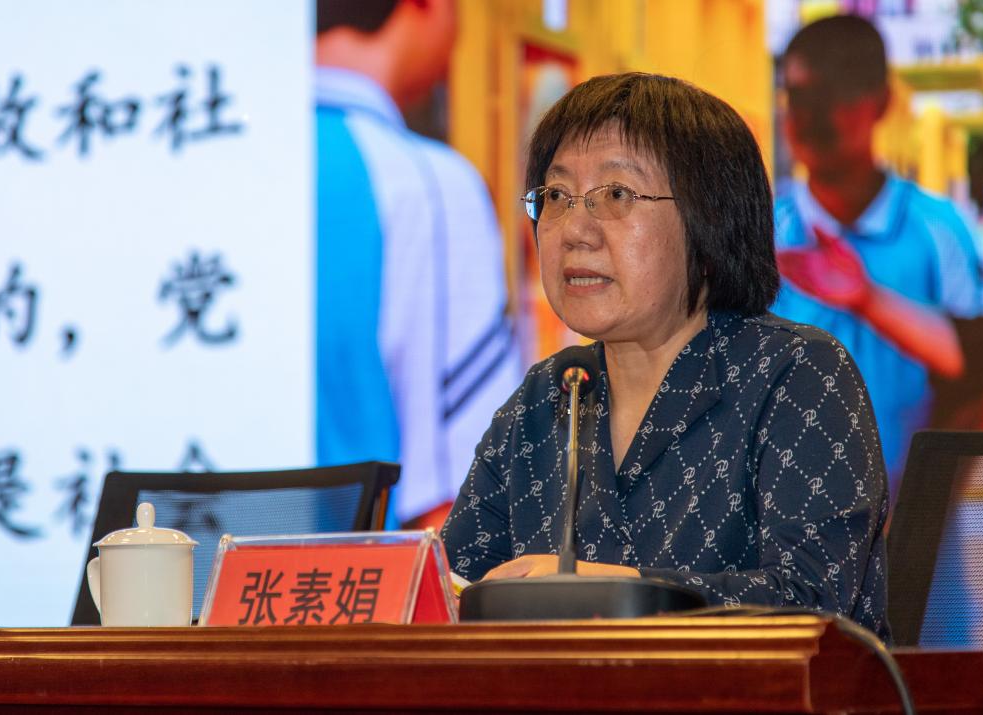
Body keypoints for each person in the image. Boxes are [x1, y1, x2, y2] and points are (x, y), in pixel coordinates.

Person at [441, 72, 890, 639]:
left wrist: (620, 591)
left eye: (616, 195)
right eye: (556, 196)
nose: (574, 230)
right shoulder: (548, 395)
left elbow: (814, 605)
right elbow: (450, 593)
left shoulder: (796, 373)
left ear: (711, 220)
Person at [772, 15, 983, 496]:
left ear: (882, 102)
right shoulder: (762, 233)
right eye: (799, 96)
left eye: (837, 95)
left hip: (911, 515)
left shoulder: (937, 228)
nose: (814, 116)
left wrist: (931, 502)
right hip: (788, 520)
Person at [315, 0, 521, 526]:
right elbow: (465, 498)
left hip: (156, 571)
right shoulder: (428, 186)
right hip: (348, 572)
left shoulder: (194, 168)